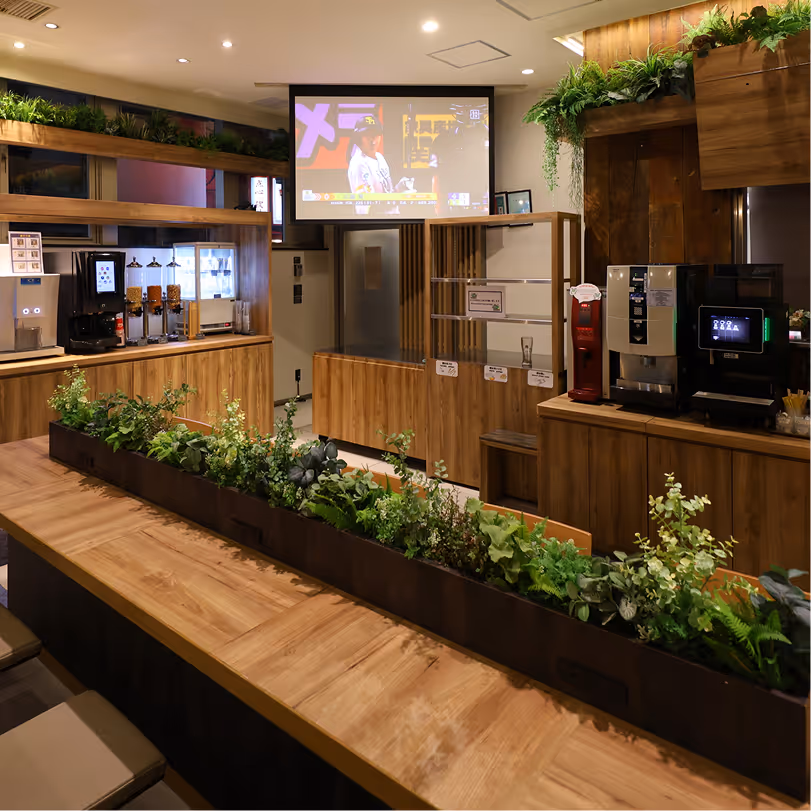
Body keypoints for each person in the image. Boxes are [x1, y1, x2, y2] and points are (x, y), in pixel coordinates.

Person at [347, 115, 413, 215]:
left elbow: (385, 194)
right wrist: (398, 198)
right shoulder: (358, 163)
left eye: (376, 134)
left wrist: (399, 189)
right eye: (367, 134)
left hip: (391, 218)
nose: (373, 139)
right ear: (358, 138)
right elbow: (369, 206)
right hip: (374, 223)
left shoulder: (380, 157)